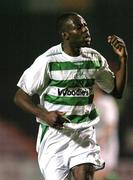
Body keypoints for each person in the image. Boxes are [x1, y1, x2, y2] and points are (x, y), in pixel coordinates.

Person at [14, 12, 128, 180]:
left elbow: (116, 91)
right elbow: (19, 97)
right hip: (54, 139)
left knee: (84, 174)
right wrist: (44, 115)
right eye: (79, 27)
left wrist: (123, 60)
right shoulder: (48, 61)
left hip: (83, 134)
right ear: (65, 34)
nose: (85, 30)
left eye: (86, 26)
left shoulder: (94, 58)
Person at [94, 86, 120, 180]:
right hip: (91, 147)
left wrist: (98, 139)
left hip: (105, 148)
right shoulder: (86, 104)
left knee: (99, 174)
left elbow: (111, 126)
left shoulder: (107, 102)